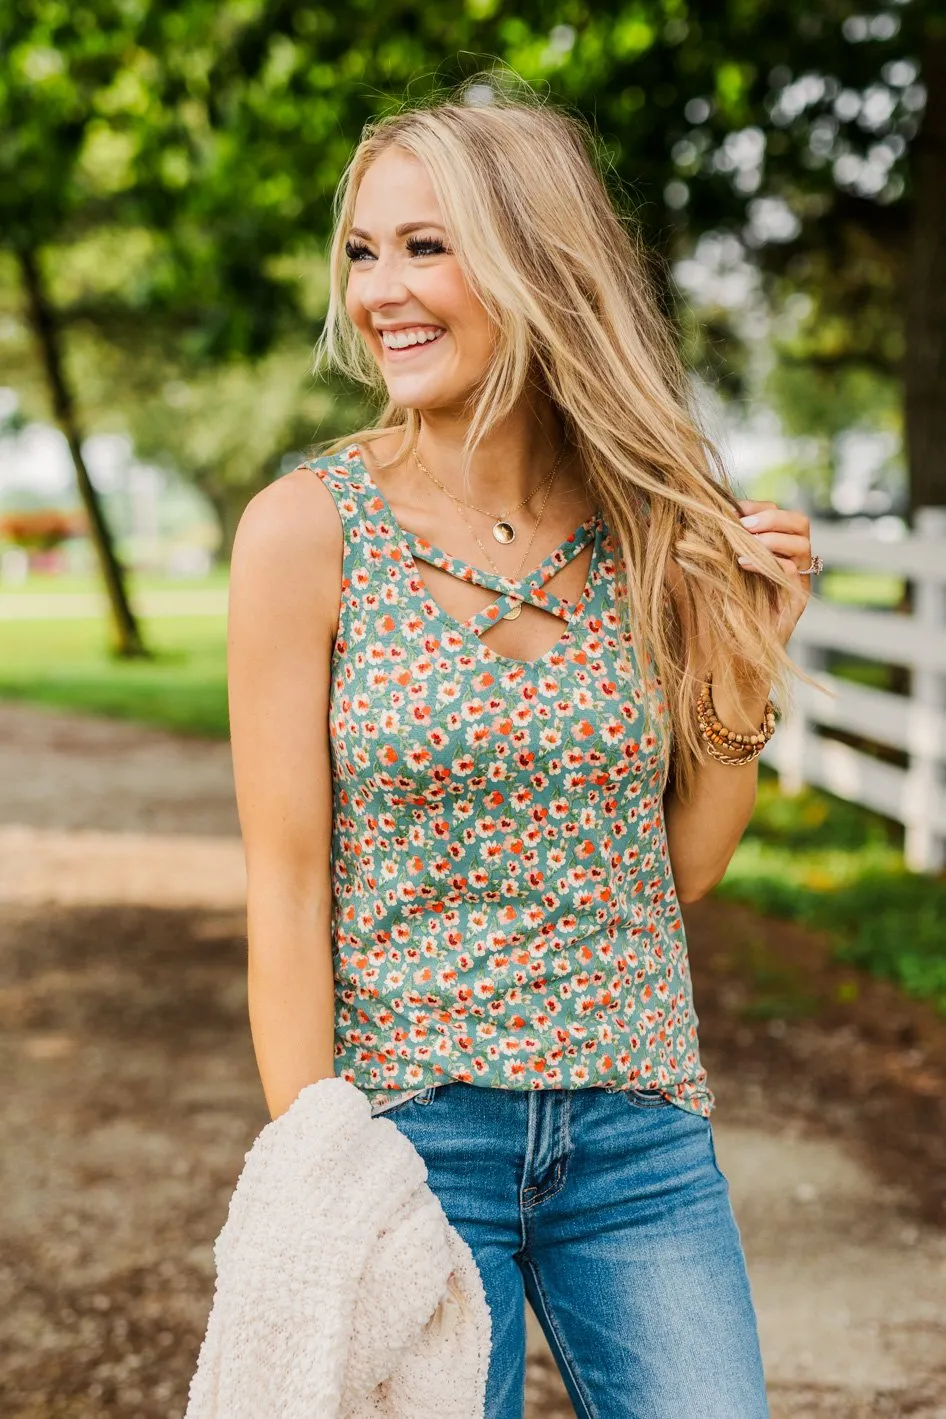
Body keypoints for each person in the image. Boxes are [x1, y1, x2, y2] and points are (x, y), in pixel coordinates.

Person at [226, 78, 818, 1419]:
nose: (380, 288)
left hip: (636, 1129)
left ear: (536, 263)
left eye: (425, 245)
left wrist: (739, 663)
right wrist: (323, 1164)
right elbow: (288, 881)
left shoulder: (651, 526)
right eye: (365, 250)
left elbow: (674, 871)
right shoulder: (304, 531)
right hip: (409, 1131)